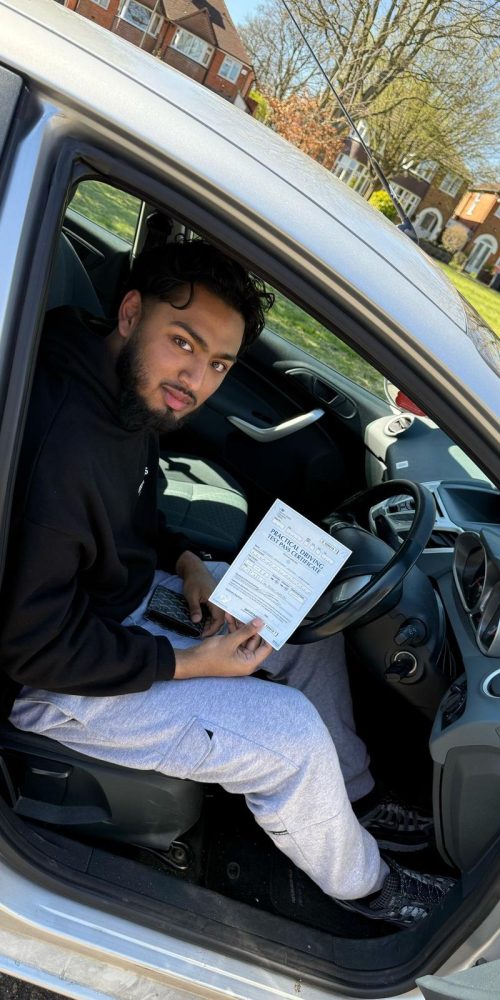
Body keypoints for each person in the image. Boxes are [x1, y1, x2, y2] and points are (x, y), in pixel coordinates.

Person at [0, 240, 455, 928]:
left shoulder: (117, 386)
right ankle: (367, 888)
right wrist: (191, 663)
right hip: (55, 681)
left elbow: (128, 508)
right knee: (290, 736)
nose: (197, 378)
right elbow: (32, 649)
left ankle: (354, 797)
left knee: (296, 624)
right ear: (130, 313)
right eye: (183, 342)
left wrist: (184, 563)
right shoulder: (62, 443)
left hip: (111, 608)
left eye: (217, 363)